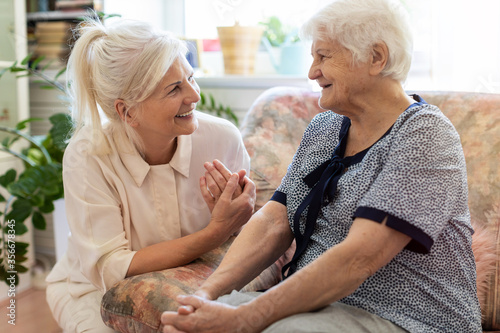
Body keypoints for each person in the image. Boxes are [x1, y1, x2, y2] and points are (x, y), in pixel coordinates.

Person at [160, 0, 482, 332]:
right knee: (186, 327)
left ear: (376, 57)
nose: (312, 72)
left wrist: (247, 318)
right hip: (318, 307)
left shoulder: (425, 136)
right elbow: (275, 221)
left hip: (408, 319)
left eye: (324, 57)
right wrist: (206, 295)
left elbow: (359, 257)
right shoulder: (325, 127)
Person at [45, 17, 255, 332]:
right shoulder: (87, 156)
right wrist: (215, 232)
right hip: (92, 292)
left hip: (188, 281)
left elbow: (249, 233)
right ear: (126, 112)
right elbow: (112, 269)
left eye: (191, 78)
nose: (194, 96)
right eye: (174, 89)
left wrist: (240, 217)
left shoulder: (221, 138)